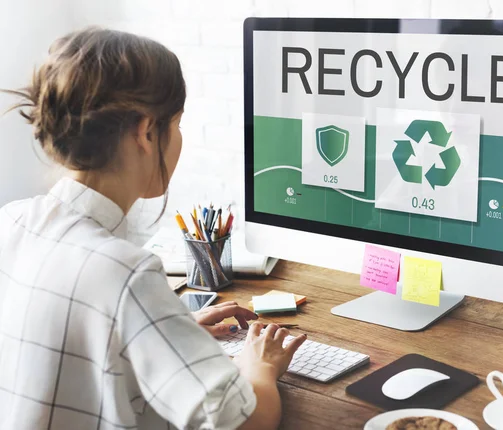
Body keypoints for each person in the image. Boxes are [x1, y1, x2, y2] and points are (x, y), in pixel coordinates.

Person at [0, 27, 306, 430]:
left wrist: (164, 330)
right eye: (176, 124)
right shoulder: (126, 273)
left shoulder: (11, 221)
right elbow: (246, 422)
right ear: (146, 132)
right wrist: (259, 367)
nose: (178, 139)